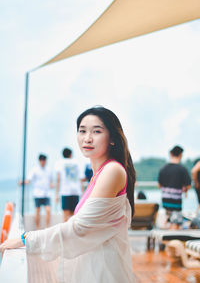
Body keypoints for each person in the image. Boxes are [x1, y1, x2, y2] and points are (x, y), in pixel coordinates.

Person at [0, 106, 136, 283]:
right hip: (96, 267)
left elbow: (79, 228)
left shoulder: (112, 171)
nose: (87, 138)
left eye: (96, 131)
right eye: (82, 131)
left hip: (106, 272)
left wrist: (26, 239)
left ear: (112, 138)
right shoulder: (100, 173)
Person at [158, 145, 191, 229]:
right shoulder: (182, 169)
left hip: (165, 201)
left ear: (171, 154)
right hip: (176, 202)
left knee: (169, 219)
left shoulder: (163, 168)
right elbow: (188, 185)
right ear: (180, 155)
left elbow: (159, 185)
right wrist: (185, 189)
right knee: (176, 223)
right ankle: (171, 238)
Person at [20, 154, 53, 229]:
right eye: (41, 160)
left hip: (46, 194)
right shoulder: (34, 169)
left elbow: (50, 180)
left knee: (48, 210)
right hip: (37, 194)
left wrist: (51, 185)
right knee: (37, 211)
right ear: (39, 161)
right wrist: (23, 182)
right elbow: (29, 180)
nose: (43, 162)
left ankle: (47, 227)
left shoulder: (49, 170)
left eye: (44, 160)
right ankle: (38, 228)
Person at [55, 147, 82, 221]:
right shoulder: (76, 163)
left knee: (65, 216)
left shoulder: (59, 163)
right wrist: (82, 193)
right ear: (70, 155)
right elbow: (80, 179)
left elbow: (58, 179)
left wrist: (56, 194)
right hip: (75, 191)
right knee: (74, 216)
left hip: (65, 191)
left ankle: (66, 232)